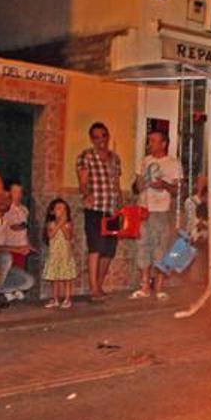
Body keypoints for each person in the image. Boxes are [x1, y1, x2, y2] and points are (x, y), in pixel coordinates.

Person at [131, 130, 182, 300]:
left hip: (162, 210)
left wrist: (164, 185)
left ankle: (159, 287)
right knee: (143, 246)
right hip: (144, 209)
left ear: (164, 143)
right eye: (149, 140)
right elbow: (137, 186)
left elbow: (176, 190)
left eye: (153, 140)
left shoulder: (173, 163)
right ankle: (145, 286)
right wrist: (142, 183)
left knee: (161, 249)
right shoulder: (145, 161)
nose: (150, 143)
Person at [76, 122, 121, 301]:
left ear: (107, 136)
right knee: (95, 247)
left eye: (103, 135)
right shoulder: (86, 156)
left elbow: (116, 183)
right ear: (91, 139)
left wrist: (121, 205)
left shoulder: (115, 158)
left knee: (109, 250)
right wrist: (86, 194)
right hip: (95, 209)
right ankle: (93, 288)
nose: (100, 139)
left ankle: (99, 285)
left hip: (111, 209)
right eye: (96, 136)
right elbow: (82, 181)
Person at [0, 193, 36, 303]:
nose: (4, 201)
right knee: (5, 257)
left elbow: (11, 242)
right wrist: (14, 249)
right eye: (0, 196)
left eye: (8, 198)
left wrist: (24, 247)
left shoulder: (6, 221)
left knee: (28, 281)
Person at [43, 198, 79, 309]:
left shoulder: (68, 224)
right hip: (54, 255)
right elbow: (50, 235)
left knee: (67, 278)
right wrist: (58, 224)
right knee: (55, 279)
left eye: (64, 209)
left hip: (65, 255)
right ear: (52, 212)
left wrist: (63, 224)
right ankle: (55, 298)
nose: (61, 211)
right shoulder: (50, 224)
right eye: (58, 208)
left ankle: (67, 298)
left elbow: (68, 237)